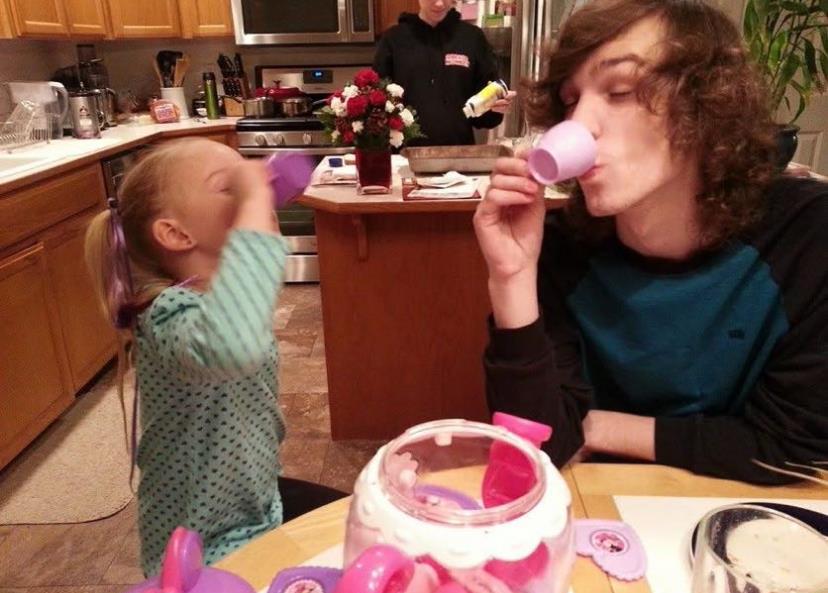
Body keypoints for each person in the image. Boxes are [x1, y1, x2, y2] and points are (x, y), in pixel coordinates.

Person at [473, 0, 828, 485]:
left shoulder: (805, 236)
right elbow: (542, 449)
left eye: (619, 91)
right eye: (571, 100)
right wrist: (512, 278)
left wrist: (602, 427)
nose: (578, 125)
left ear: (709, 103)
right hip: (604, 519)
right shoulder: (559, 250)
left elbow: (795, 450)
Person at [84, 138, 345, 575]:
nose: (253, 184)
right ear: (176, 233)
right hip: (200, 548)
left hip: (252, 503)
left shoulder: (220, 301)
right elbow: (233, 345)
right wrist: (257, 199)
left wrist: (250, 203)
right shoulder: (167, 316)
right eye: (229, 185)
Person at [373, 0, 516, 146]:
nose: (439, 4)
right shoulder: (394, 39)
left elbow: (483, 117)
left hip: (459, 154)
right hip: (404, 156)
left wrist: (496, 108)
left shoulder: (472, 38)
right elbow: (377, 107)